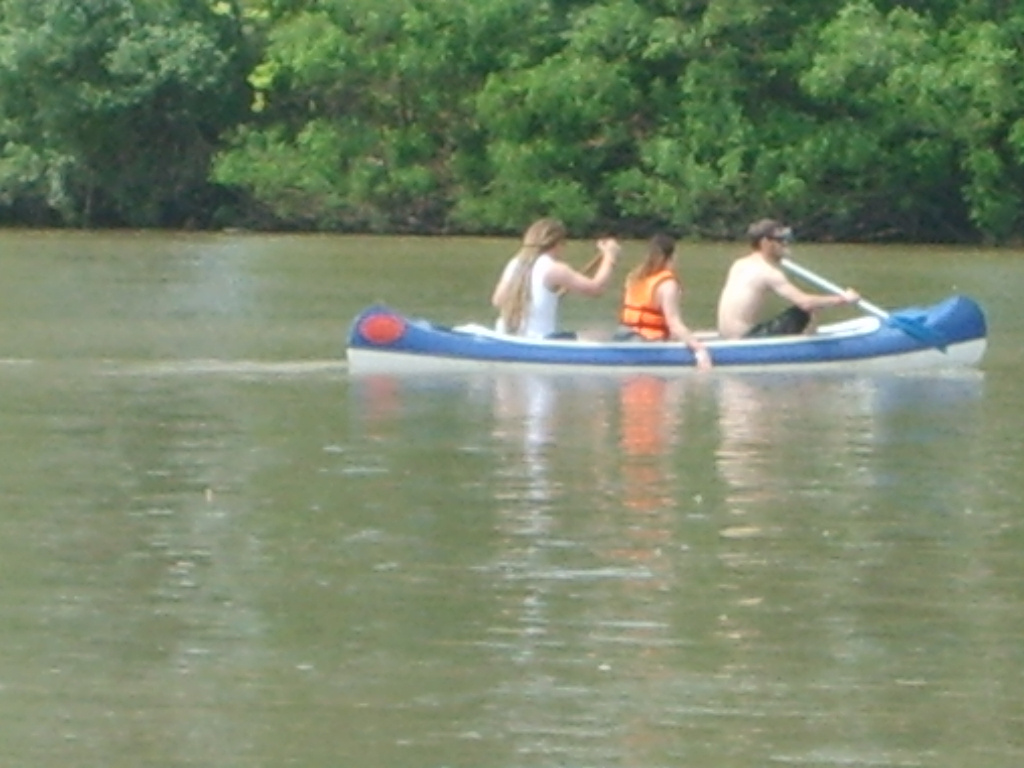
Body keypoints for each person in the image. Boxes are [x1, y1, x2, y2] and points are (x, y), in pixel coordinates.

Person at [716, 218, 860, 339]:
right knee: (807, 310)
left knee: (808, 307)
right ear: (765, 243)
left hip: (727, 336)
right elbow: (805, 302)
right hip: (745, 338)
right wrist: (843, 299)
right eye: (780, 240)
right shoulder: (768, 272)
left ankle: (807, 342)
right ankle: (811, 348)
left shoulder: (739, 264)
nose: (785, 244)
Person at [491, 217, 619, 338]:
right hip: (540, 339)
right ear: (557, 243)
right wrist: (610, 256)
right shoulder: (553, 268)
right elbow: (596, 289)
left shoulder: (515, 263)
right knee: (600, 335)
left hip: (505, 334)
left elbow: (497, 301)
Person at [617, 234, 712, 370]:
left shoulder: (633, 277)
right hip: (646, 341)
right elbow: (674, 324)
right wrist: (699, 349)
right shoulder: (667, 284)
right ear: (671, 257)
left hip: (622, 335)